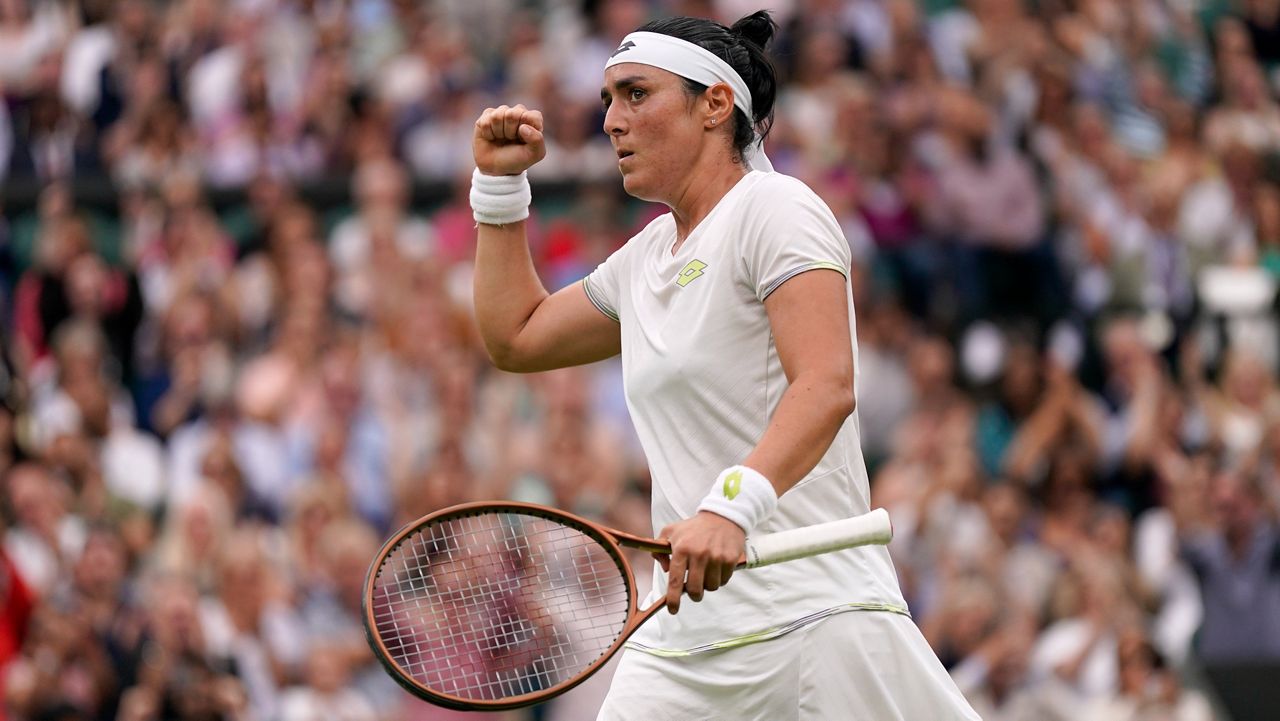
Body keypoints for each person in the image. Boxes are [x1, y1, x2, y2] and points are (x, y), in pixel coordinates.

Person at [469, 10, 979, 720]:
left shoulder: (778, 209)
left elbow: (826, 384)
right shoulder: (644, 258)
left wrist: (731, 508)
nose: (612, 120)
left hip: (817, 612)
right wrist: (498, 190)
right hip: (682, 641)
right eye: (608, 100)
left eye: (637, 94)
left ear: (715, 103)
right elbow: (517, 337)